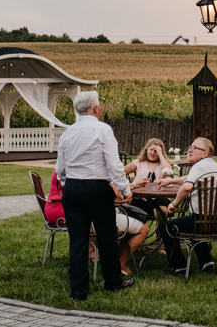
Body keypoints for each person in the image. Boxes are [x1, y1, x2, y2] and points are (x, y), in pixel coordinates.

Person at [56, 90, 133, 299]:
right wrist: (125, 189)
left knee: (78, 240)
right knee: (107, 236)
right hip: (97, 188)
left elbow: (60, 169)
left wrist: (67, 184)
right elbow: (114, 164)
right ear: (97, 109)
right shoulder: (103, 130)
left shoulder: (67, 133)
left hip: (72, 188)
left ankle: (79, 291)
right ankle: (113, 282)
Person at [44, 168, 149, 278]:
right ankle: (121, 264)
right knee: (143, 228)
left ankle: (95, 254)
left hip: (69, 210)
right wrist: (126, 190)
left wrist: (131, 186)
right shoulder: (96, 171)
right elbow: (115, 190)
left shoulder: (74, 168)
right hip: (85, 214)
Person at [157, 137, 217, 275]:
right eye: (190, 147)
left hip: (202, 222)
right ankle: (207, 263)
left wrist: (173, 204)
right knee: (190, 221)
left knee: (167, 227)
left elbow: (187, 187)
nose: (189, 150)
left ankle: (179, 266)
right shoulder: (212, 165)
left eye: (194, 148)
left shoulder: (199, 166)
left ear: (205, 153)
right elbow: (188, 177)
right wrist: (170, 181)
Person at [124, 138, 174, 217]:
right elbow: (121, 173)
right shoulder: (139, 163)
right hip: (140, 198)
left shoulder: (162, 165)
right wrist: (129, 184)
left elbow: (168, 170)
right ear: (146, 150)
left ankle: (160, 228)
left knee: (162, 210)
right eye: (151, 150)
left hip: (158, 197)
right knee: (131, 214)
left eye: (156, 151)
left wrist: (161, 154)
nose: (153, 153)